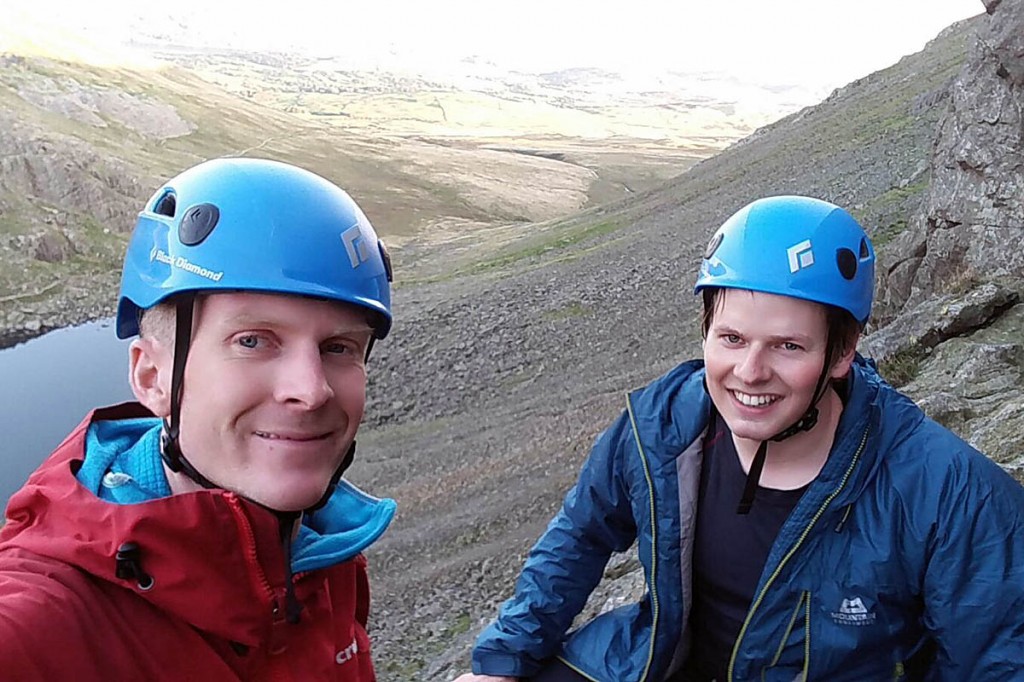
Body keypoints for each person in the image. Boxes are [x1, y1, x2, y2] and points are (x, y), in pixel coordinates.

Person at [455, 195, 1024, 682]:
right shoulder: (663, 424)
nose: (750, 372)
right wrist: (503, 659)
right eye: (730, 338)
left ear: (842, 353)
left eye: (788, 346)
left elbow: (994, 657)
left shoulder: (947, 490)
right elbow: (580, 536)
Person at [0, 158, 397, 680]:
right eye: (252, 340)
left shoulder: (325, 553)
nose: (312, 389)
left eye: (339, 347)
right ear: (151, 378)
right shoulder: (43, 624)